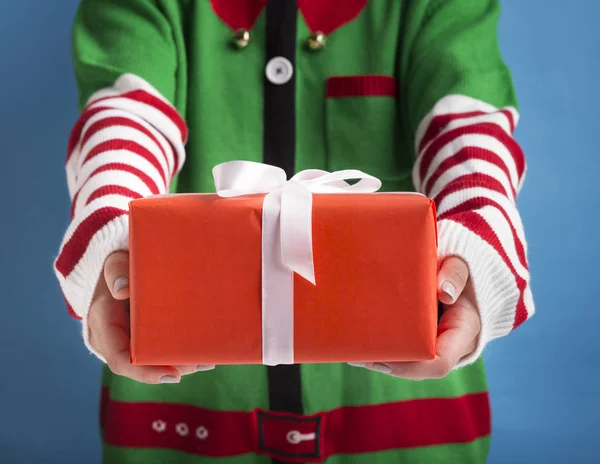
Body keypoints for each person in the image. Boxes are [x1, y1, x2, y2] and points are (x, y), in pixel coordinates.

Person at [54, 0, 534, 462]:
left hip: (405, 421)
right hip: (186, 417)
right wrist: (110, 229)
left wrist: (477, 240)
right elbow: (126, 113)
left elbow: (467, 126)